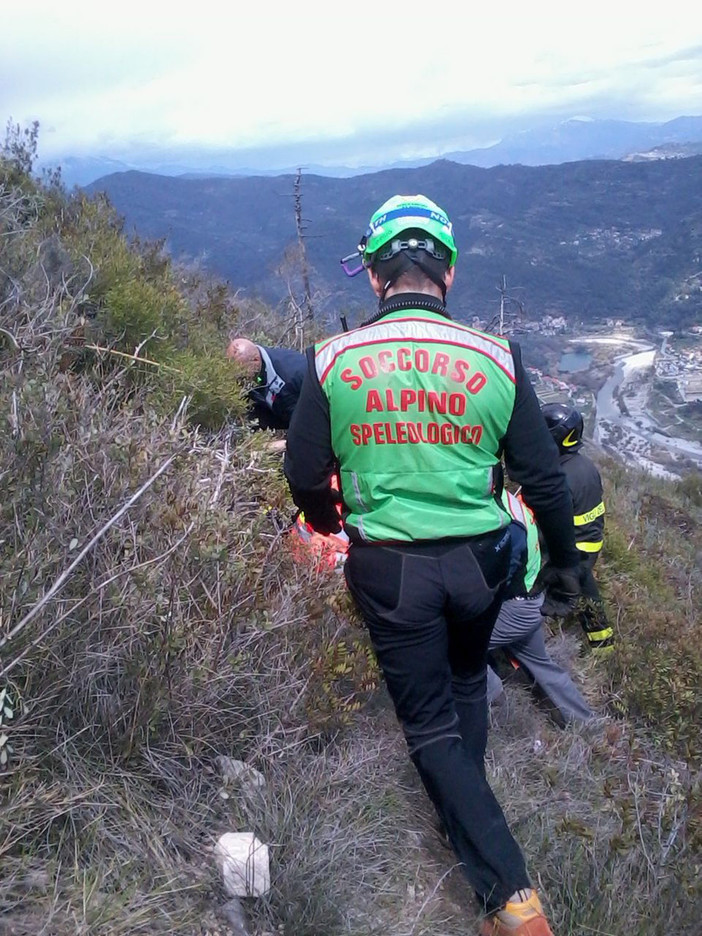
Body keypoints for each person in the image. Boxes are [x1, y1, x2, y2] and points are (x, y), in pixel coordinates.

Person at [284, 193, 582, 936]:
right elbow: (543, 478)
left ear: (378, 277)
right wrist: (570, 567)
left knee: (428, 728)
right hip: (483, 567)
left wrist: (329, 521)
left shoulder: (333, 360)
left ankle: (513, 898)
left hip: (391, 571)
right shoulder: (496, 357)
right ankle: (472, 840)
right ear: (445, 270)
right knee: (464, 689)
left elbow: (302, 470)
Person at [487, 489, 594, 726]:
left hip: (514, 610)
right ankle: (586, 723)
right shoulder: (511, 502)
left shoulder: (502, 521)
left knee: (452, 646)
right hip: (533, 602)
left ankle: (491, 696)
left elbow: (493, 583)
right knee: (541, 663)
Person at [541, 403, 614, 651]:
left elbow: (550, 524)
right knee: (587, 593)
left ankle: (541, 640)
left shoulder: (560, 476)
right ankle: (604, 644)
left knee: (535, 590)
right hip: (588, 543)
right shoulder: (585, 466)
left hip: (572, 548)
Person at [225, 336, 306, 432]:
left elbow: (314, 420)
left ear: (255, 360)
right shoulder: (254, 377)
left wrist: (285, 444)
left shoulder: (293, 373)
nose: (239, 376)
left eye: (242, 370)